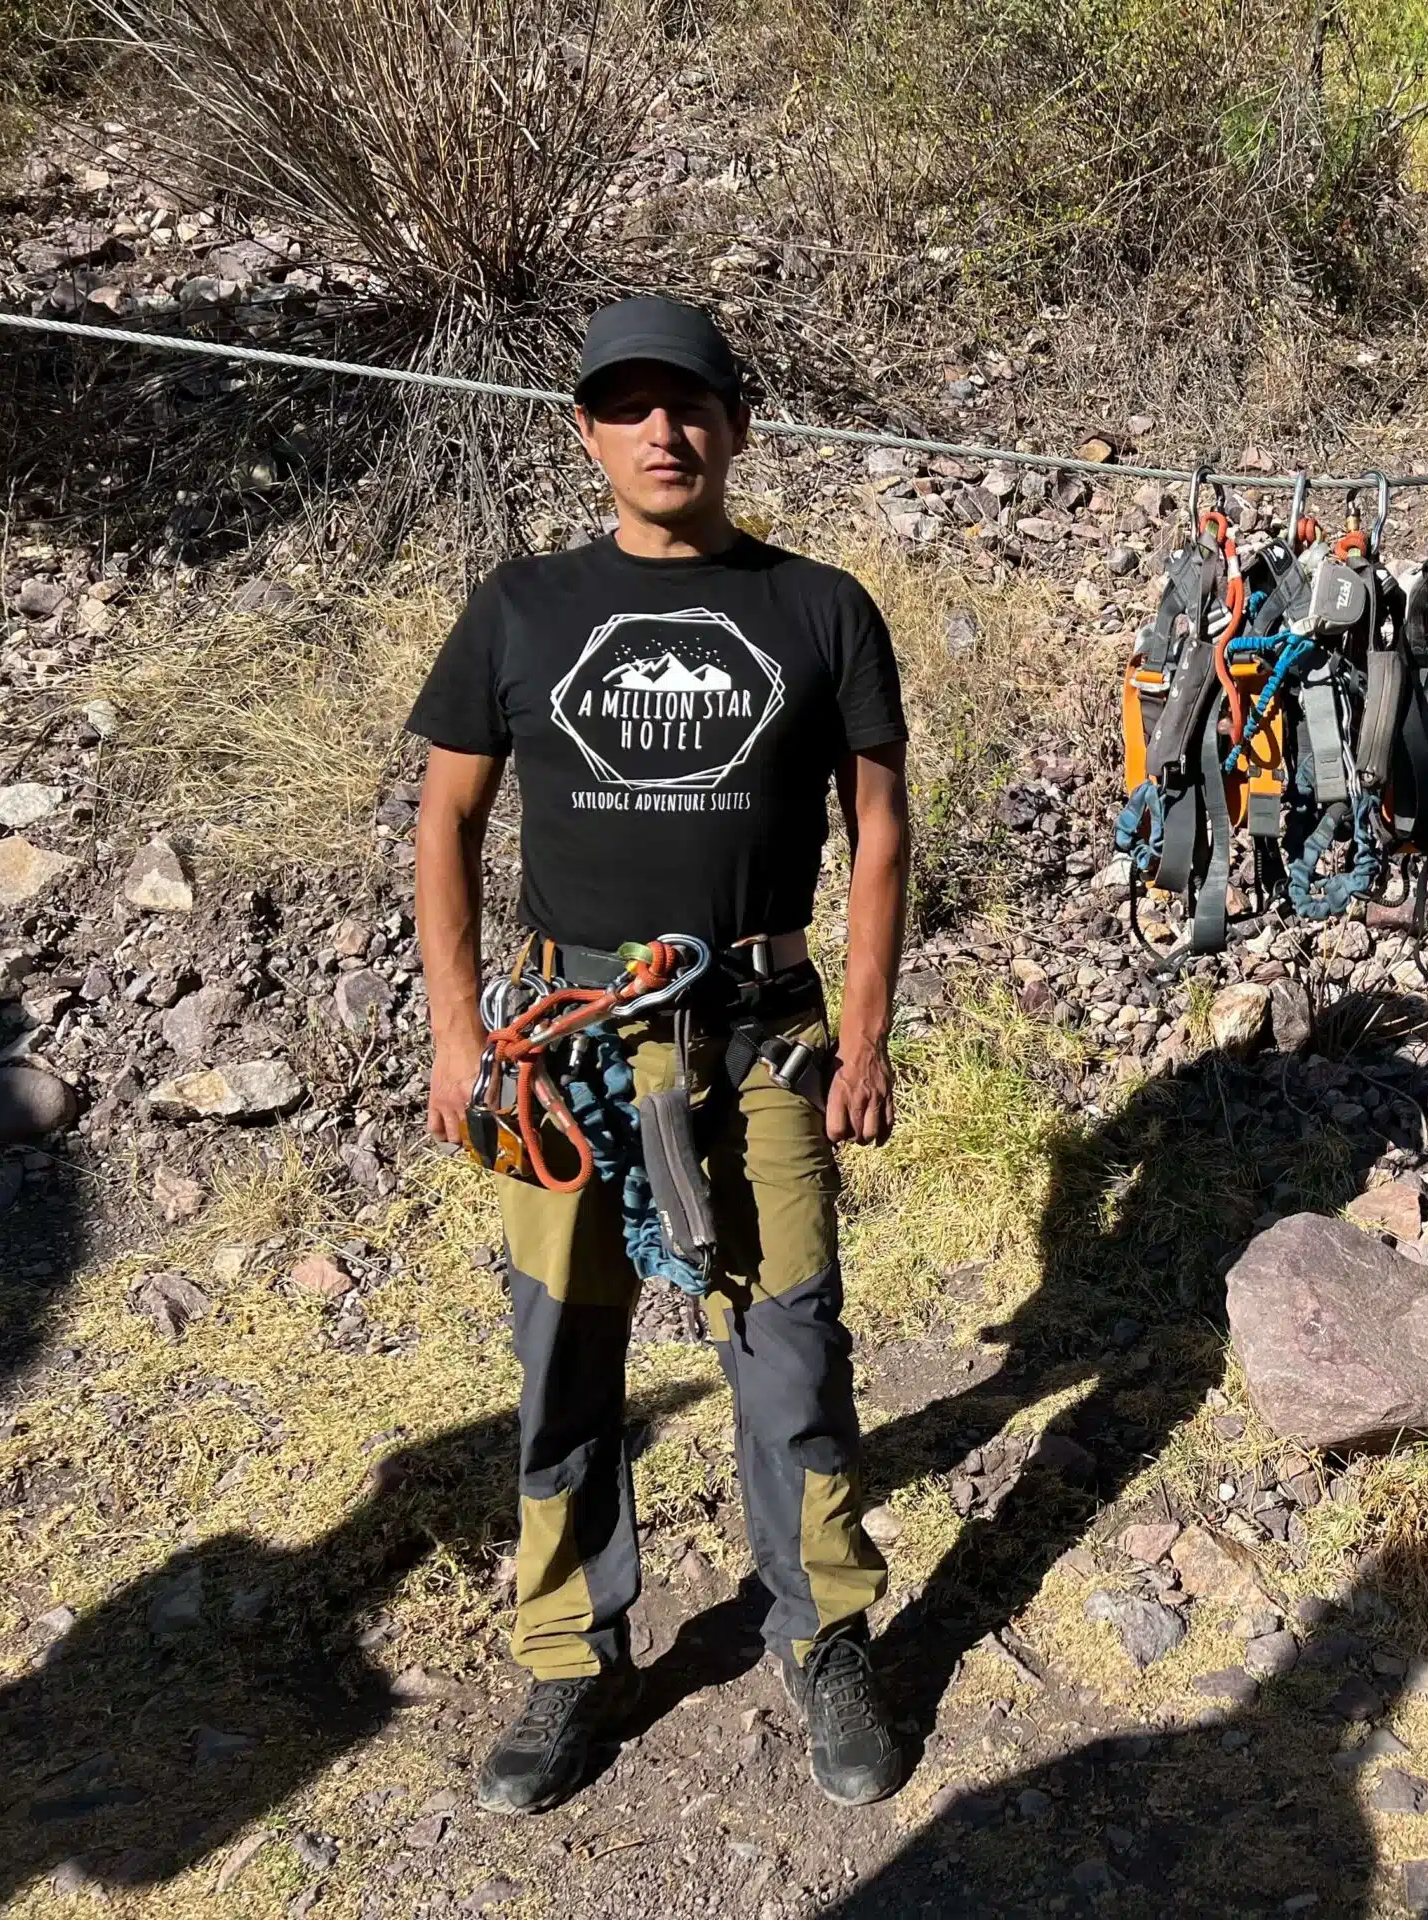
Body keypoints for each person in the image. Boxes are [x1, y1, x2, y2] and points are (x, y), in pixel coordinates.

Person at [409, 296, 912, 1814]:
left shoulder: (821, 608)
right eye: (627, 406)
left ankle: (821, 1633)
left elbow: (878, 825)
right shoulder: (520, 607)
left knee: (793, 1347)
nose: (662, 431)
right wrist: (455, 1031)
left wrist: (869, 1036)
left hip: (762, 1039)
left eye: (688, 403)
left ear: (737, 424)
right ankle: (572, 1657)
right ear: (587, 434)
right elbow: (444, 818)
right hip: (565, 1049)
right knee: (564, 1355)